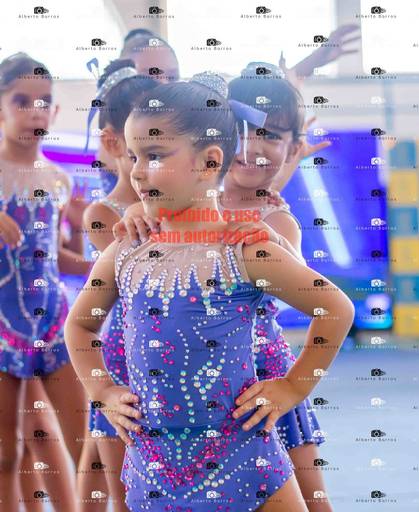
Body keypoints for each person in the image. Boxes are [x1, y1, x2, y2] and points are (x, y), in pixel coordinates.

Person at [65, 73, 354, 511]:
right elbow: (80, 326)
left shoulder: (245, 249)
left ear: (209, 161)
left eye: (154, 155)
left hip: (248, 462)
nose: (137, 171)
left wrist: (293, 386)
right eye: (134, 155)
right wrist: (101, 389)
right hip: (154, 471)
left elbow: (334, 308)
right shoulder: (126, 250)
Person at [0, 52, 90, 511]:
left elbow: (52, 257)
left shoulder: (58, 181)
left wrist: (101, 265)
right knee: (7, 452)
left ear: (54, 111)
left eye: (43, 102)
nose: (34, 112)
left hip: (54, 322)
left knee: (86, 445)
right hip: (2, 327)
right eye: (22, 101)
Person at [79, 58, 157, 511]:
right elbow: (138, 268)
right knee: (126, 494)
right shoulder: (103, 215)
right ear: (114, 142)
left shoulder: (175, 204)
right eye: (142, 150)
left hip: (175, 359)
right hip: (124, 362)